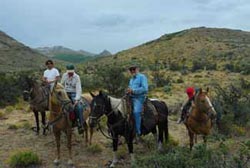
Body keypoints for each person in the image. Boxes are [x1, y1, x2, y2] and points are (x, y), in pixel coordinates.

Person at [61, 64, 84, 134]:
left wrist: (77, 99)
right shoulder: (64, 75)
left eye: (71, 72)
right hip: (65, 92)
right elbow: (61, 85)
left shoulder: (77, 77)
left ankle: (80, 124)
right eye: (69, 72)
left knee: (79, 107)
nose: (70, 73)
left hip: (74, 93)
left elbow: (78, 89)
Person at [127, 65, 148, 137]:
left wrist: (133, 91)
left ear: (137, 69)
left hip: (139, 97)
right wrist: (128, 90)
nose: (132, 71)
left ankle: (138, 132)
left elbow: (145, 88)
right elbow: (130, 88)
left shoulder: (142, 77)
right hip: (130, 97)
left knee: (136, 112)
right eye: (131, 70)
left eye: (133, 69)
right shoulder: (131, 79)